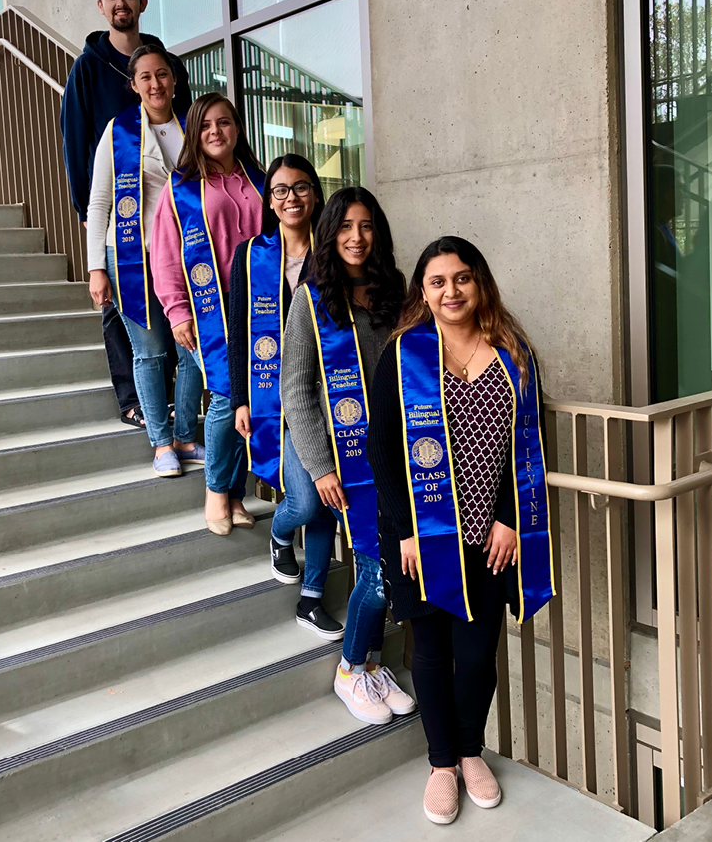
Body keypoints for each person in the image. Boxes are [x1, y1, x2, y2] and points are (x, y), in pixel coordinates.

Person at [367, 236, 554, 825]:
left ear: (480, 283)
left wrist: (508, 519)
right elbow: (381, 450)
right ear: (422, 291)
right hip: (420, 534)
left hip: (488, 535)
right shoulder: (403, 354)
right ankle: (442, 763)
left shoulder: (514, 354)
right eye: (438, 281)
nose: (451, 291)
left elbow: (523, 446)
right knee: (429, 650)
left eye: (462, 278)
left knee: (476, 657)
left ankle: (472, 752)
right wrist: (404, 530)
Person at [280, 186, 415, 723]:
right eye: (345, 227)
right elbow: (297, 388)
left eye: (365, 226)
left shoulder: (394, 290)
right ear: (329, 233)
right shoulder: (311, 299)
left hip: (401, 455)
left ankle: (373, 667)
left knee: (395, 568)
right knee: (377, 570)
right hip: (348, 462)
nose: (356, 238)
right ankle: (349, 668)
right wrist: (319, 467)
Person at [60, 0, 192, 430]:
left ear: (142, 3)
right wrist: (86, 214)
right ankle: (130, 398)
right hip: (121, 212)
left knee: (171, 322)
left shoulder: (166, 65)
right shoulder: (87, 68)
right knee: (124, 317)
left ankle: (172, 404)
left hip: (172, 224)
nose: (121, 3)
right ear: (101, 5)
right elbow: (75, 140)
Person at [86, 44, 204, 476]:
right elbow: (99, 202)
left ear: (174, 80)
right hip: (131, 255)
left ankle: (186, 436)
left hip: (186, 255)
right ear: (133, 84)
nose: (155, 84)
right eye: (146, 77)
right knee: (151, 353)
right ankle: (161, 444)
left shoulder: (192, 128)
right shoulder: (118, 132)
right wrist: (96, 266)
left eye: (163, 75)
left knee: (191, 349)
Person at [151, 93, 265, 534]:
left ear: (237, 128)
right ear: (195, 134)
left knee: (249, 401)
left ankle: (236, 493)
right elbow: (163, 255)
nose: (215, 132)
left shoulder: (259, 180)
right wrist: (177, 310)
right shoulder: (180, 189)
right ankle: (216, 492)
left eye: (224, 123)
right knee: (223, 397)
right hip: (207, 314)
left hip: (259, 309)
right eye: (205, 126)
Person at [228, 154, 330, 589]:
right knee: (305, 502)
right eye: (281, 190)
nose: (292, 198)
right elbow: (237, 331)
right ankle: (280, 531)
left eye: (302, 187)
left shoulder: (333, 254)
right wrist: (239, 399)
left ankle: (313, 594)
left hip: (324, 397)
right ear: (269, 201)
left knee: (328, 501)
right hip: (273, 395)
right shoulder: (250, 256)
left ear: (316, 193)